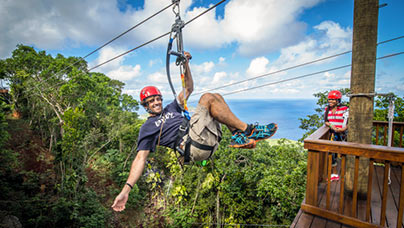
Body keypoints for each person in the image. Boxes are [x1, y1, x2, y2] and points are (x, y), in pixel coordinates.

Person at [111, 51, 277, 212]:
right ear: (146, 106)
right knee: (207, 98)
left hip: (205, 138)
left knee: (216, 96)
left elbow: (188, 88)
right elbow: (140, 158)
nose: (156, 102)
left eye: (157, 99)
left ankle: (237, 136)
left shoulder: (172, 107)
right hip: (192, 145)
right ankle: (249, 130)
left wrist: (186, 65)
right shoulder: (147, 128)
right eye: (151, 101)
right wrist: (126, 190)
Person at [324, 90, 349, 181]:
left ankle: (346, 173)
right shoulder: (327, 109)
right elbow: (326, 121)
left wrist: (343, 129)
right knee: (332, 153)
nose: (330, 101)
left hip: (343, 134)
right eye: (329, 99)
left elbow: (349, 121)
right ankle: (334, 174)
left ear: (338, 100)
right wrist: (332, 126)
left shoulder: (345, 109)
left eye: (332, 99)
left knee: (344, 153)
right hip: (333, 133)